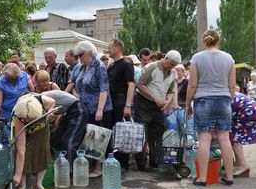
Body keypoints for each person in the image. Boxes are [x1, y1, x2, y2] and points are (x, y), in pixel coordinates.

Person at [186, 29, 236, 186]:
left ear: (203, 41)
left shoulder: (197, 58)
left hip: (203, 100)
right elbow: (232, 85)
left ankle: (203, 178)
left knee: (204, 139)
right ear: (218, 41)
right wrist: (230, 99)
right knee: (224, 139)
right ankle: (229, 177)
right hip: (223, 100)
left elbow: (192, 84)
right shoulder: (228, 58)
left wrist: (188, 104)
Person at [134, 50, 181, 172]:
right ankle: (142, 163)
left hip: (159, 106)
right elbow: (140, 84)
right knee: (142, 132)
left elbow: (171, 90)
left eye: (174, 65)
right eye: (171, 64)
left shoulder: (172, 72)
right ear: (165, 58)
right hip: (143, 102)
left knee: (159, 133)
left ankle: (155, 161)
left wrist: (167, 102)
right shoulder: (152, 67)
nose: (172, 67)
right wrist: (156, 98)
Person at [74, 41, 112, 177]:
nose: (79, 58)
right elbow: (77, 84)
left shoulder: (99, 66)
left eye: (81, 54)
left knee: (98, 137)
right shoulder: (82, 67)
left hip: (99, 109)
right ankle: (91, 166)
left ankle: (98, 168)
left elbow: (104, 89)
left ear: (89, 53)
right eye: (78, 55)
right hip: (86, 109)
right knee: (89, 137)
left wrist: (100, 110)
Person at [12, 94, 56, 189]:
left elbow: (53, 102)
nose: (29, 122)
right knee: (25, 155)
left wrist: (50, 112)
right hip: (25, 130)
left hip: (42, 127)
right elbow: (21, 150)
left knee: (43, 153)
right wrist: (17, 175)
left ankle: (38, 184)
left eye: (31, 119)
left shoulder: (42, 100)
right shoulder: (18, 117)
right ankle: (22, 186)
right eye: (27, 120)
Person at [107, 39, 135, 170]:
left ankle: (123, 164)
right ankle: (115, 161)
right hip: (111, 103)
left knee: (123, 133)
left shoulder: (126, 64)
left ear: (118, 47)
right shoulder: (111, 65)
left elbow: (131, 84)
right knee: (114, 132)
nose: (108, 49)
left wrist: (128, 105)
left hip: (121, 101)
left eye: (110, 47)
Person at [231, 86, 256, 177]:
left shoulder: (218, 96)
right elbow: (237, 88)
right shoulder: (226, 90)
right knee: (233, 136)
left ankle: (243, 165)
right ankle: (238, 164)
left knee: (232, 136)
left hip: (249, 111)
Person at [42, 90, 87, 169]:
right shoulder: (40, 98)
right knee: (55, 139)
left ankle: (71, 169)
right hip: (68, 112)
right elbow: (63, 105)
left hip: (77, 109)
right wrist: (58, 120)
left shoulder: (42, 98)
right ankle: (60, 164)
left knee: (69, 141)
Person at [0, 63, 31, 145]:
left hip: (24, 112)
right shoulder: (1, 82)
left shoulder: (24, 76)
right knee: (8, 138)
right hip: (7, 114)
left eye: (14, 78)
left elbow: (33, 90)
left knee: (24, 138)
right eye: (9, 78)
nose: (11, 80)